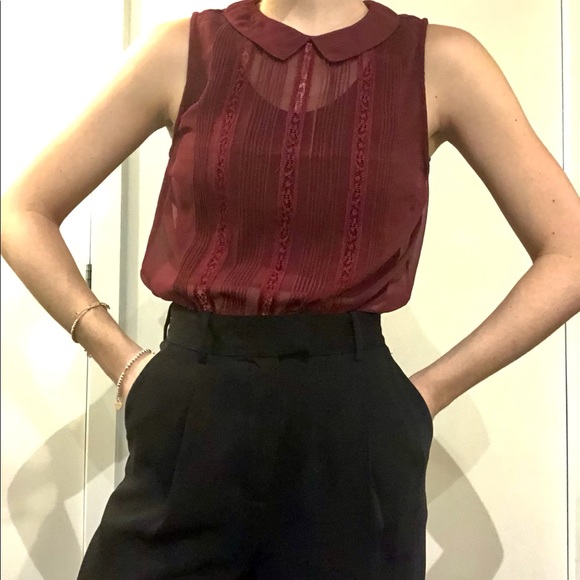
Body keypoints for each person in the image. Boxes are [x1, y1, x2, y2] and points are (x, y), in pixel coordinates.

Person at [2, 0, 579, 578]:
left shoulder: (441, 62)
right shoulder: (183, 49)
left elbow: (569, 256)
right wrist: (123, 362)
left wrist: (424, 395)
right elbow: (22, 212)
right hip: (190, 412)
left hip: (353, 429)